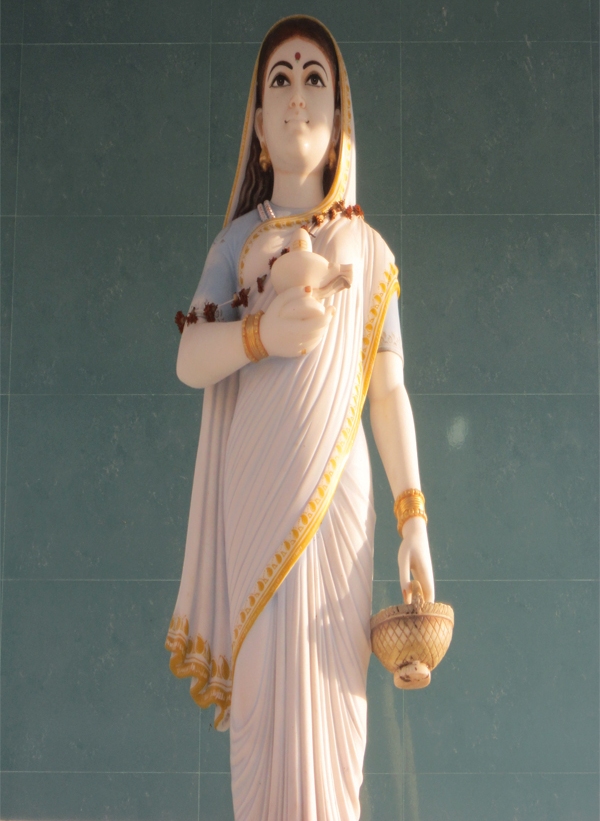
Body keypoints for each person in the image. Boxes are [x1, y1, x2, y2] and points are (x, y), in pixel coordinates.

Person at [166, 15, 435, 821]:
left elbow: (388, 390)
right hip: (257, 495)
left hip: (337, 503)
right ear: (257, 125)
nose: (295, 95)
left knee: (335, 708)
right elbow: (190, 358)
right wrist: (258, 335)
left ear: (340, 115)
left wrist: (414, 517)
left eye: (314, 78)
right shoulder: (236, 245)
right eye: (278, 79)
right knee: (263, 711)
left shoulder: (371, 252)